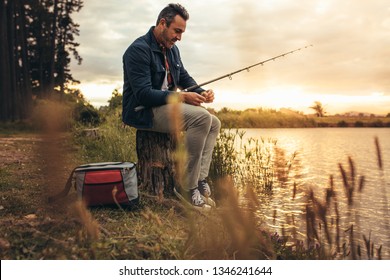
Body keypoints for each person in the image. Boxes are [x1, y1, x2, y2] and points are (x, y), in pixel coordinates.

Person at [122, 3, 221, 209]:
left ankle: (200, 180)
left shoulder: (172, 51)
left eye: (182, 32)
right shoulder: (138, 50)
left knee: (214, 122)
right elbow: (143, 95)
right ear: (162, 24)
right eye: (177, 31)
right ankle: (187, 187)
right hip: (143, 111)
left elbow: (183, 76)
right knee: (202, 118)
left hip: (163, 108)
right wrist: (182, 97)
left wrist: (202, 92)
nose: (179, 37)